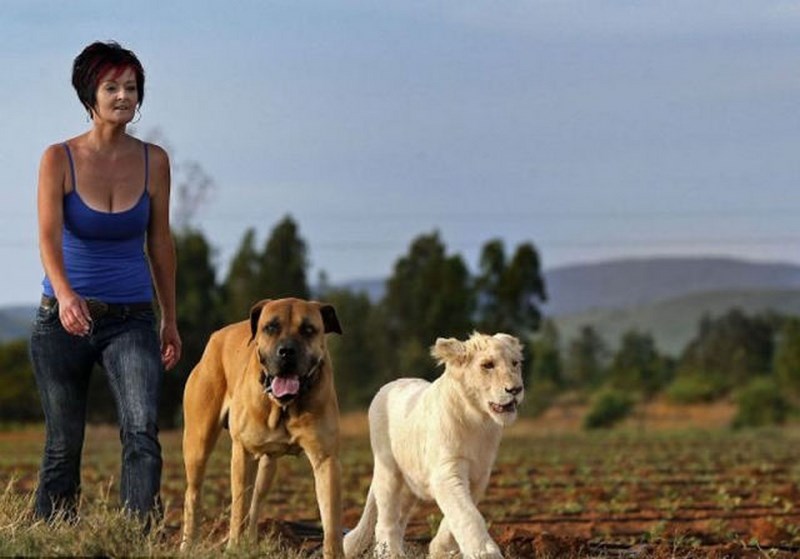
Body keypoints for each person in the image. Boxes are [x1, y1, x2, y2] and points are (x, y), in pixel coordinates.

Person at [29, 40, 181, 525]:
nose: (123, 97)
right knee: (63, 441)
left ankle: (136, 535)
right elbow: (48, 239)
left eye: (131, 88)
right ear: (89, 95)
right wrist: (66, 295)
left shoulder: (155, 161)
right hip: (62, 319)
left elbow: (161, 243)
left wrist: (169, 319)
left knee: (141, 432)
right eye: (111, 87)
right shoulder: (58, 158)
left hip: (131, 318)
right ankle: (53, 534)